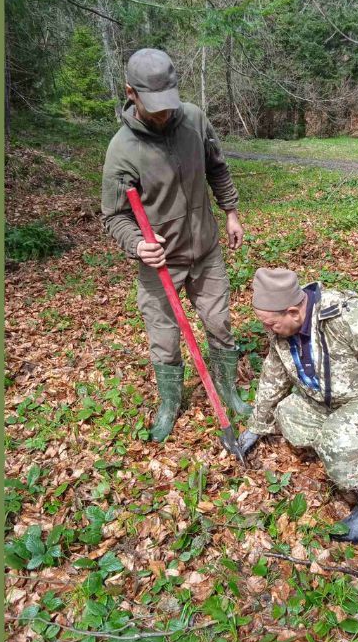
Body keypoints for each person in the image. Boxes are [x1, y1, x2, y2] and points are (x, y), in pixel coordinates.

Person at [100, 48, 252, 443]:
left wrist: (231, 211)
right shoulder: (122, 150)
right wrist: (137, 245)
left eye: (168, 102)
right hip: (160, 262)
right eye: (155, 106)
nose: (165, 113)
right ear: (131, 92)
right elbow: (113, 216)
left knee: (219, 324)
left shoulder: (195, 119)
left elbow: (217, 166)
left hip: (205, 249)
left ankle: (229, 391)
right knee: (164, 338)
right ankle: (169, 402)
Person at [231, 268, 358, 542]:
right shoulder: (282, 329)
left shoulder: (345, 317)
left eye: (270, 324)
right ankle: (355, 453)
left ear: (293, 312)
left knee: (338, 437)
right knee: (288, 413)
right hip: (331, 401)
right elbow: (273, 376)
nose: (266, 330)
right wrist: (257, 427)